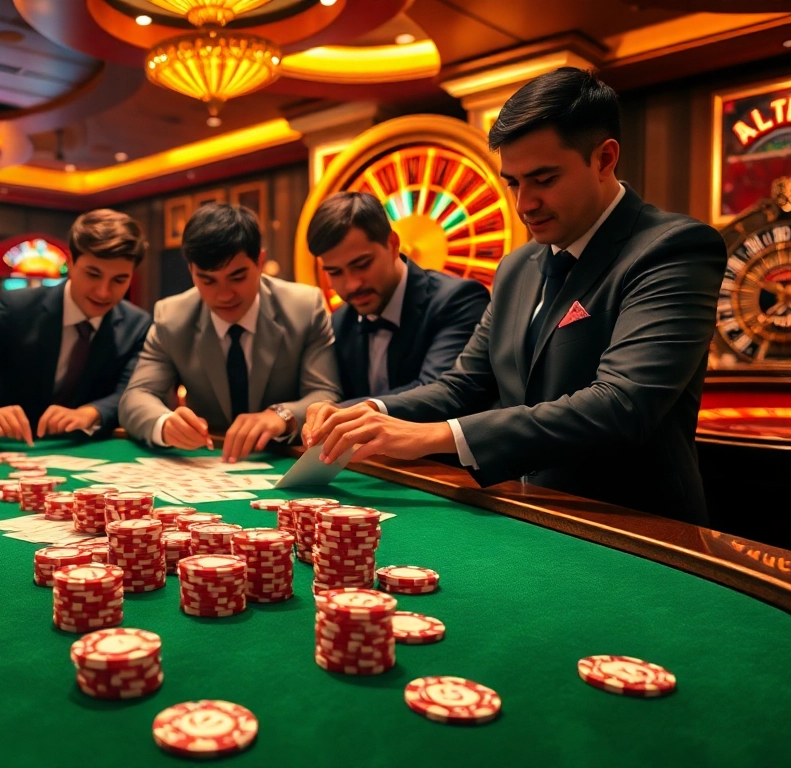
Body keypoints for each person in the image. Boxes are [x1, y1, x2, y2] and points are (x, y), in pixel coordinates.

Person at [302, 67, 726, 524]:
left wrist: (432, 436)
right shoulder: (516, 267)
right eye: (514, 183)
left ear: (604, 158)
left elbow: (621, 404)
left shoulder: (673, 248)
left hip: (641, 530)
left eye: (543, 179)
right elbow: (463, 384)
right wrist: (368, 412)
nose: (524, 204)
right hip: (534, 515)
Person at [119, 204, 341, 462]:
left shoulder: (304, 307)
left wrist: (280, 416)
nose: (224, 295)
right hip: (207, 463)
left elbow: (326, 395)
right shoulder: (171, 317)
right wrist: (165, 423)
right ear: (191, 271)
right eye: (208, 280)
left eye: (237, 277)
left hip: (284, 457)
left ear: (260, 261)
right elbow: (136, 397)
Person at [0, 209, 153, 443]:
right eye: (93, 274)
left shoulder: (137, 325)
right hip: (11, 447)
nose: (103, 292)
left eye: (119, 280)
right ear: (70, 263)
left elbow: (129, 394)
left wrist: (90, 413)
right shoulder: (16, 308)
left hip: (83, 451)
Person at [309, 190, 490, 403]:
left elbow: (437, 392)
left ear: (393, 244)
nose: (352, 284)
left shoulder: (458, 300)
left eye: (362, 264)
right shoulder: (340, 322)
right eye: (335, 272)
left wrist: (336, 414)